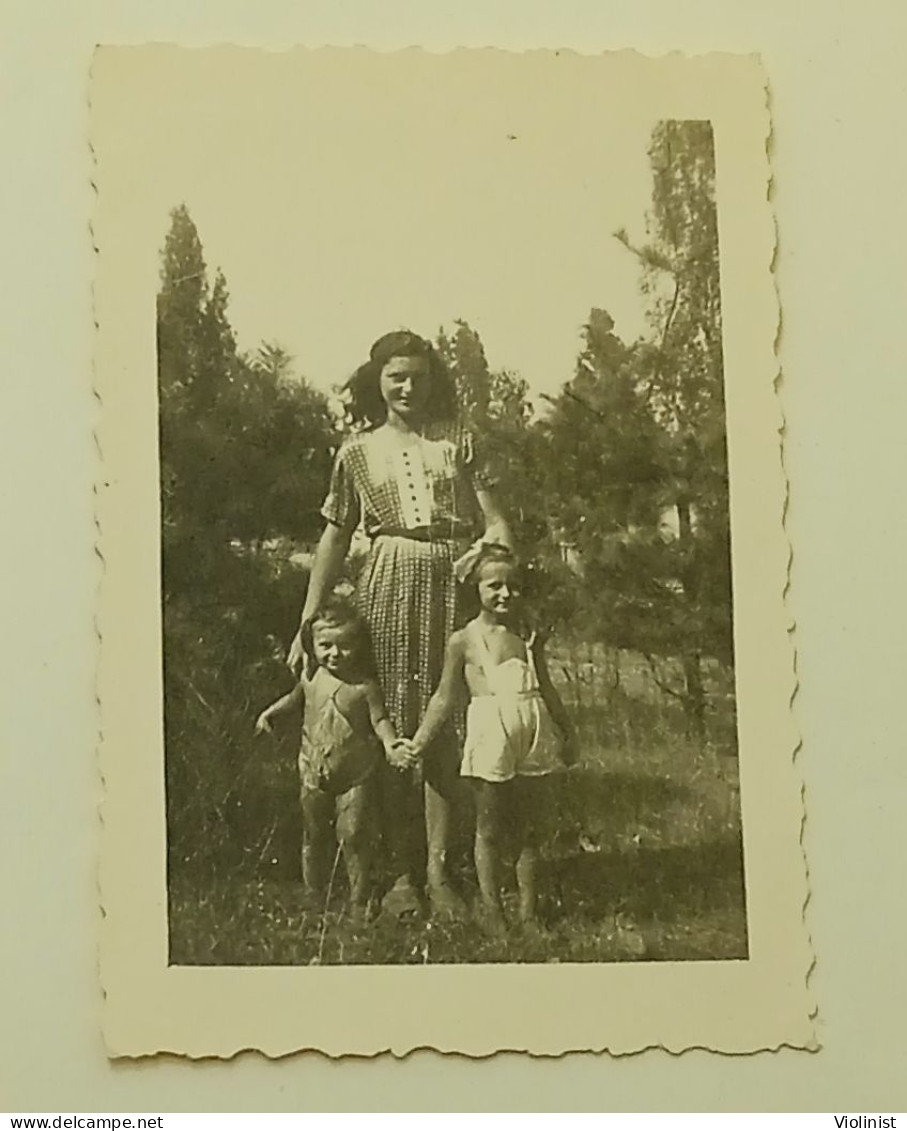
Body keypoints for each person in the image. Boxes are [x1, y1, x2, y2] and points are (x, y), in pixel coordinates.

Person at [287, 330, 512, 919]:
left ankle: (441, 873)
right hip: (386, 579)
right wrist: (307, 622)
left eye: (418, 375)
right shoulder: (356, 452)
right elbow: (335, 535)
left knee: (445, 724)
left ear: (433, 378)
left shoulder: (460, 440)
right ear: (379, 383)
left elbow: (498, 524)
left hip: (452, 582)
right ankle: (400, 876)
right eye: (396, 378)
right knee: (389, 722)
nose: (409, 387)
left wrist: (486, 554)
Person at [409, 543, 576, 935]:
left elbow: (546, 687)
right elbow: (444, 696)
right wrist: (419, 741)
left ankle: (529, 913)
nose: (505, 594)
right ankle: (493, 910)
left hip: (533, 729)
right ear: (477, 590)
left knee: (530, 829)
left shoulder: (528, 635)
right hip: (492, 733)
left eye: (513, 586)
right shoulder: (464, 641)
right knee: (490, 825)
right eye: (494, 586)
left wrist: (568, 732)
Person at [257, 599, 407, 920]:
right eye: (325, 646)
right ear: (312, 646)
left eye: (344, 646)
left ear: (359, 645)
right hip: (313, 768)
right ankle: (313, 895)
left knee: (353, 834)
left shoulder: (364, 687)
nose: (334, 654)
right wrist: (271, 712)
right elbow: (294, 699)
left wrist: (391, 743)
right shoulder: (311, 678)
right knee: (313, 832)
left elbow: (380, 720)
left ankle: (358, 898)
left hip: (355, 772)